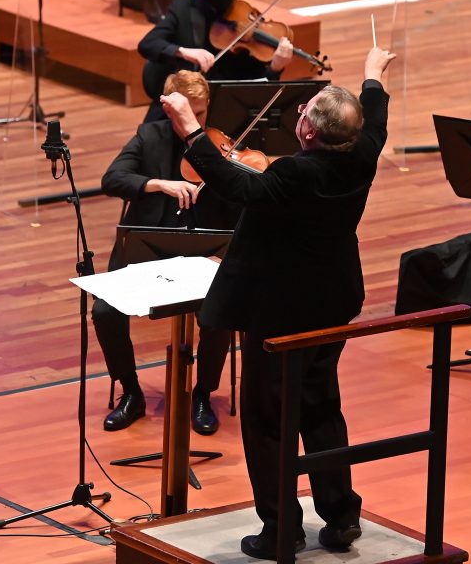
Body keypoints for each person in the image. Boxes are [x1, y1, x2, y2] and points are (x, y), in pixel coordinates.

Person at [159, 45, 396, 560]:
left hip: (278, 312)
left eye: (305, 111)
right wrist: (372, 75)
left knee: (267, 417)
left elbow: (230, 181)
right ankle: (341, 515)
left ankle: (282, 527)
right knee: (321, 403)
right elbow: (375, 116)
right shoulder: (362, 155)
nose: (301, 113)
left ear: (308, 131)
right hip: (333, 301)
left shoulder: (294, 176)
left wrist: (188, 129)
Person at [95, 71, 242, 434]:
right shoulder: (149, 136)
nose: (194, 123)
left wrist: (225, 255)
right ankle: (131, 392)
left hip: (204, 252)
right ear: (168, 108)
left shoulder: (216, 146)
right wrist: (159, 184)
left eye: (202, 114)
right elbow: (112, 179)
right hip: (149, 247)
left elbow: (245, 204)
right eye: (185, 114)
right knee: (104, 311)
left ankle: (203, 394)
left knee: (218, 315)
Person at [137, 0, 294, 122]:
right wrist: (184, 51)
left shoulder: (248, 20)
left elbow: (256, 82)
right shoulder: (181, 11)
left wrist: (275, 68)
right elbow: (148, 44)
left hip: (228, 110)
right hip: (182, 105)